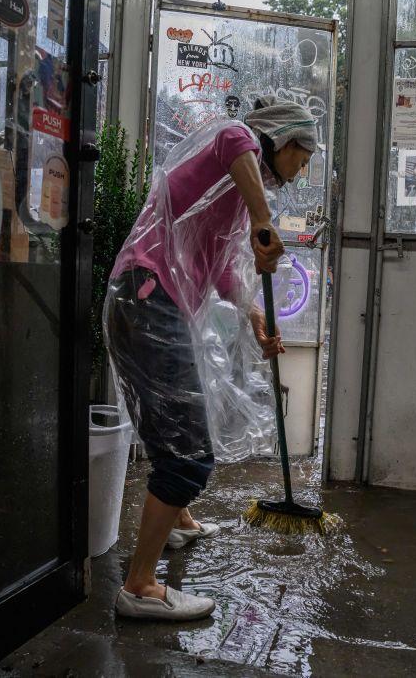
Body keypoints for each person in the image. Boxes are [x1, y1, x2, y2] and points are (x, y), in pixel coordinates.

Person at [105, 99, 316, 621]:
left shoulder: (233, 195)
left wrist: (255, 319)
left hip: (144, 298)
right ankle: (140, 585)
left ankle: (178, 520)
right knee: (187, 451)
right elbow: (233, 139)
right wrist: (263, 223)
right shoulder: (234, 142)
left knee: (169, 434)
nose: (304, 167)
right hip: (149, 298)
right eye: (304, 155)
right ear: (283, 142)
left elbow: (221, 269)